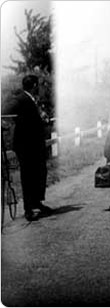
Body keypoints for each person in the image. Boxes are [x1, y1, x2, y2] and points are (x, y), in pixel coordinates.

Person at [1, 75, 53, 221]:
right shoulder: (21, 98)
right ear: (34, 85)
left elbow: (31, 117)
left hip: (35, 145)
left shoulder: (30, 99)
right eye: (38, 85)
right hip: (25, 146)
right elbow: (4, 111)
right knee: (28, 176)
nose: (39, 87)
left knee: (39, 173)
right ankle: (28, 209)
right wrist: (7, 123)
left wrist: (41, 118)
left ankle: (37, 202)